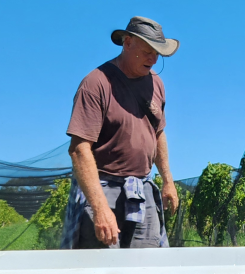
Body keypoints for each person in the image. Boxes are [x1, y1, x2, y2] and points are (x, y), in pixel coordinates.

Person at [63, 16, 181, 249]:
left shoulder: (156, 84)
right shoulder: (96, 83)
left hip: (143, 190)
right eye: (147, 51)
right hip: (104, 189)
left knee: (148, 263)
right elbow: (79, 149)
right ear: (127, 43)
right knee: (103, 263)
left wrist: (168, 181)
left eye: (157, 53)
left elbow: (158, 133)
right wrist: (99, 208)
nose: (153, 59)